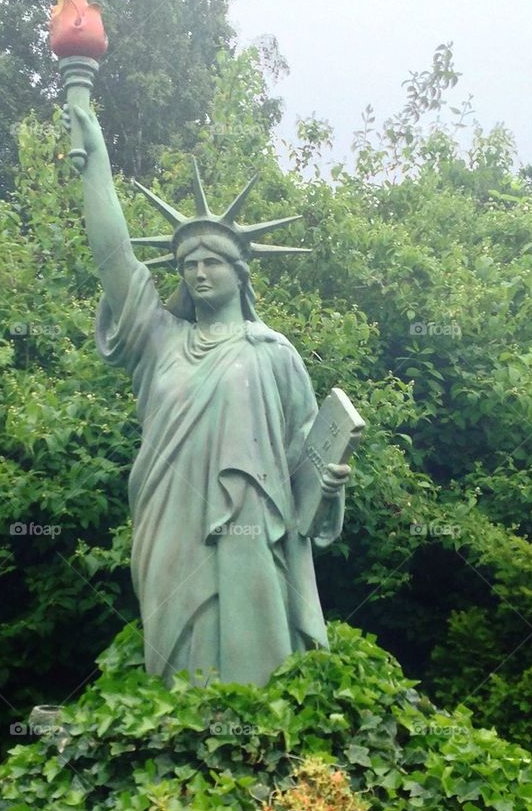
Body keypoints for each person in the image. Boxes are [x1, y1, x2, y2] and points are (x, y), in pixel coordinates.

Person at [68, 102, 349, 686]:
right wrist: (96, 162)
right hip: (169, 517)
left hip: (251, 529)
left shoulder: (274, 353)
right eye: (187, 263)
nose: (198, 273)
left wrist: (328, 490)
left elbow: (304, 456)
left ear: (241, 272)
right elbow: (113, 256)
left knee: (254, 668)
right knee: (177, 660)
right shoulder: (158, 339)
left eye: (213, 262)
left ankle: (258, 750)